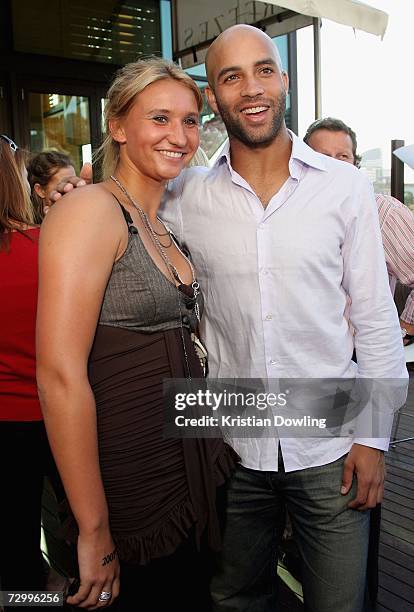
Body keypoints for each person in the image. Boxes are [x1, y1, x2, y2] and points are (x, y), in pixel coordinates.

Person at [49, 26, 407, 612]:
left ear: (284, 79)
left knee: (340, 602)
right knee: (232, 599)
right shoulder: (186, 194)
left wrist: (373, 439)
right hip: (226, 441)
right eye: (230, 76)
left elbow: (374, 321)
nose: (251, 88)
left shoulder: (344, 186)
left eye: (263, 70)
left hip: (332, 438)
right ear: (214, 97)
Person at [36, 57, 237, 611]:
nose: (179, 136)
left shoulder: (164, 225)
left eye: (191, 121)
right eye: (160, 118)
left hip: (187, 469)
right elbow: (58, 376)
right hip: (127, 483)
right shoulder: (89, 211)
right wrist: (94, 528)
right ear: (118, 126)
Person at [304, 117, 414, 344]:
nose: (334, 165)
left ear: (355, 164)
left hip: (360, 354)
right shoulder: (284, 213)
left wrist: (404, 329)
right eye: (322, 157)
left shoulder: (382, 212)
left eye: (343, 156)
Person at [0, 135, 48, 601]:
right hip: (54, 413)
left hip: (7, 422)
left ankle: (32, 599)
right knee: (82, 523)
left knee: (15, 538)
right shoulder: (45, 248)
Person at [27, 150, 76, 221]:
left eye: (74, 184)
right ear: (40, 190)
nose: (71, 189)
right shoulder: (30, 229)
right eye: (62, 185)